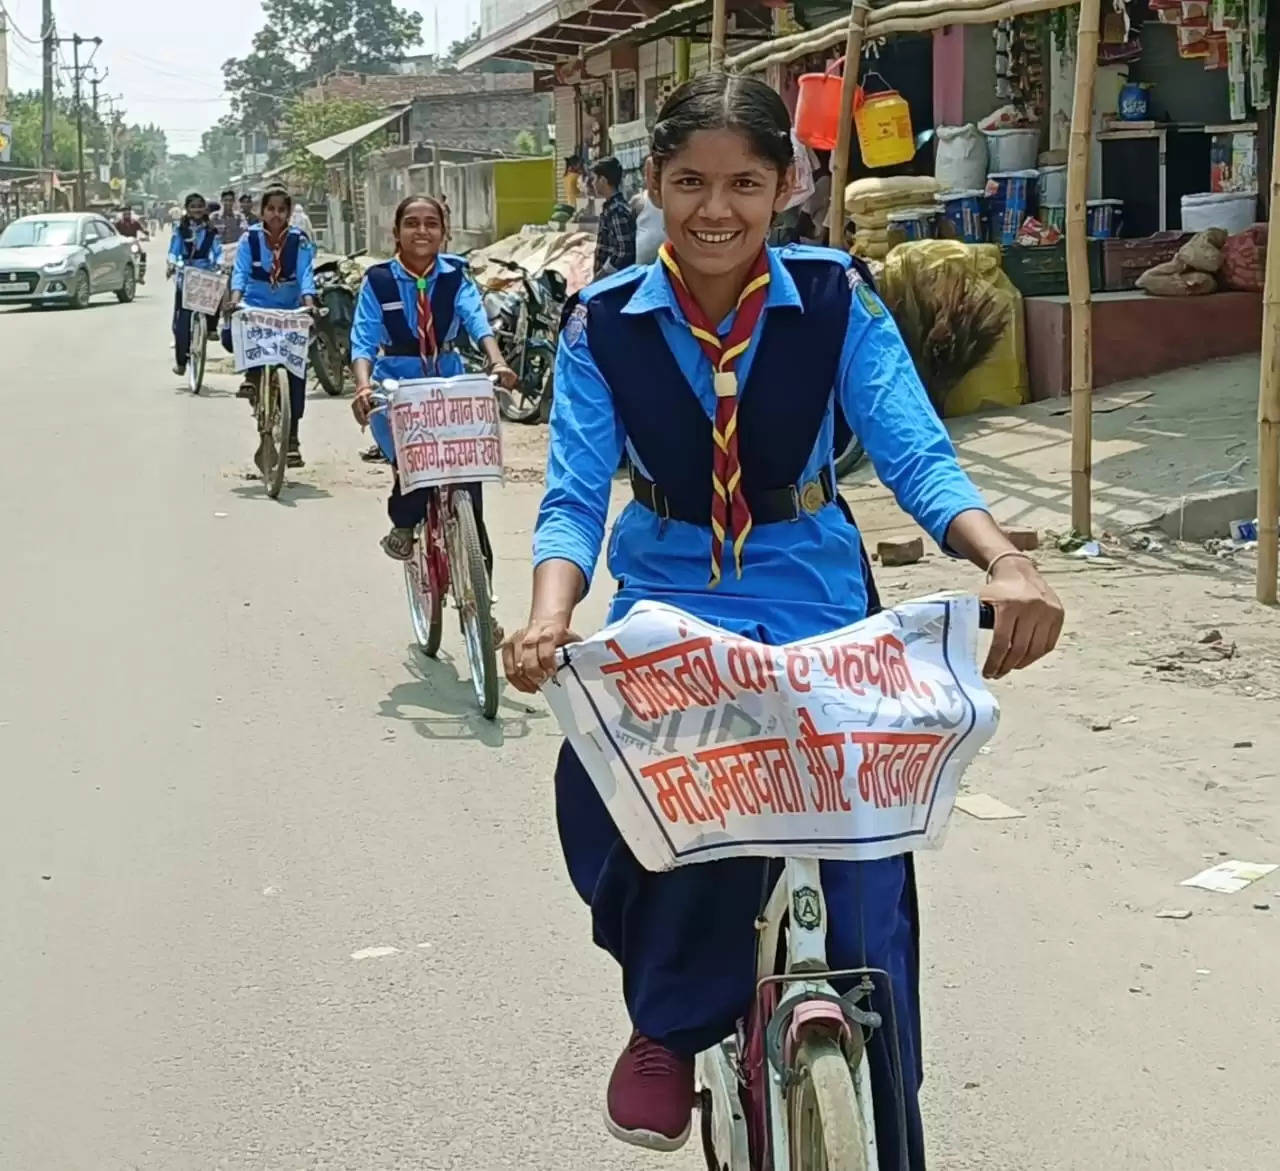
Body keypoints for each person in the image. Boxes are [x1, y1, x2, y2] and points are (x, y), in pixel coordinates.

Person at [502, 73, 1065, 1162]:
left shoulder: (838, 299)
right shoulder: (601, 325)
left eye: (744, 184)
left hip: (816, 600)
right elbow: (572, 495)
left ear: (785, 186)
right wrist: (545, 617)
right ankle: (665, 1021)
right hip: (673, 606)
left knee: (864, 889)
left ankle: (881, 1131)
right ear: (654, 186)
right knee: (613, 788)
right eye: (690, 183)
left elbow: (912, 451)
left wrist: (1003, 562)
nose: (716, 210)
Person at [348, 195, 517, 584]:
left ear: (444, 232)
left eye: (431, 223)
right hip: (398, 386)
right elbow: (363, 338)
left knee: (470, 498)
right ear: (396, 233)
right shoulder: (379, 281)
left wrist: (497, 361)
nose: (421, 231)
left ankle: (481, 594)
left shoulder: (456, 276)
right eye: (412, 223)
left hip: (449, 383)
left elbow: (477, 320)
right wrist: (362, 387)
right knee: (415, 475)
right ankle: (404, 525)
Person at [227, 186, 316, 468]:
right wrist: (235, 300)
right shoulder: (249, 239)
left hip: (289, 307)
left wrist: (309, 303)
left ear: (288, 213)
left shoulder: (298, 240)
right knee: (234, 333)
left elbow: (305, 275)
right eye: (271, 209)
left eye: (281, 209)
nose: (276, 215)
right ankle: (253, 379)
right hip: (255, 304)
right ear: (262, 211)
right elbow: (240, 272)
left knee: (296, 369)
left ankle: (292, 438)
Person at [166, 193, 223, 378]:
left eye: (200, 206)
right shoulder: (180, 230)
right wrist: (172, 262)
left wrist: (221, 264)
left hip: (205, 271)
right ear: (187, 209)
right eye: (193, 206)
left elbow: (217, 251)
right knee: (182, 322)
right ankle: (181, 362)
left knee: (218, 289)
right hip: (187, 273)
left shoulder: (211, 230)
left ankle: (212, 328)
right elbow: (174, 250)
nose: (197, 209)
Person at [591, 156, 636, 278]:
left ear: (603, 180)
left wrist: (603, 274)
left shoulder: (617, 210)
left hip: (613, 280)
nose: (592, 183)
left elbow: (624, 250)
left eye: (595, 179)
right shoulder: (611, 207)